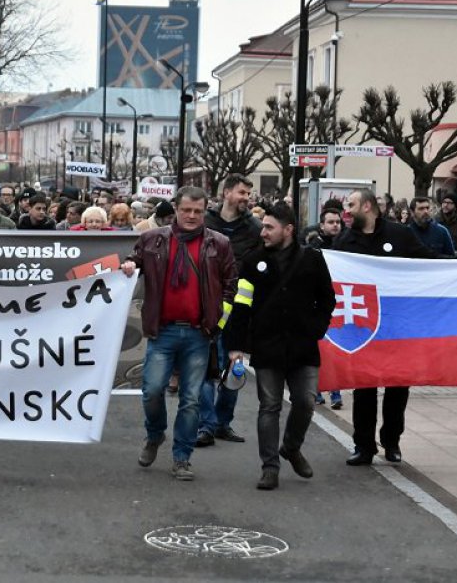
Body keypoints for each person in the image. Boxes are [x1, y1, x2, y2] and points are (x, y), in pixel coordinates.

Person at [120, 186, 237, 481]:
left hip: (199, 333)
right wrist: (130, 265)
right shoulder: (151, 240)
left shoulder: (219, 243)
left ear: (205, 211)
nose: (192, 216)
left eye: (198, 211)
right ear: (175, 209)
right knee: (152, 391)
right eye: (186, 210)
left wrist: (217, 315)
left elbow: (230, 281)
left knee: (191, 400)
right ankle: (155, 434)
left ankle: (182, 457)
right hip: (164, 331)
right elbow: (134, 261)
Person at [224, 202, 335, 489]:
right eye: (263, 226)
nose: (264, 232)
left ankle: (291, 447)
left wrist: (316, 329)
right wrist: (235, 345)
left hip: (303, 346)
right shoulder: (252, 261)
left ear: (288, 229)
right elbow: (241, 305)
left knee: (306, 401)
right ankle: (269, 467)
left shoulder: (312, 259)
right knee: (269, 406)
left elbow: (327, 300)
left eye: (270, 227)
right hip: (267, 345)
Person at [335, 188, 434, 466]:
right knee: (363, 388)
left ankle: (392, 442)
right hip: (362, 328)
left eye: (351, 205)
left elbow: (428, 260)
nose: (347, 210)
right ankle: (363, 445)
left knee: (397, 387)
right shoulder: (346, 240)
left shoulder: (399, 235)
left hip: (397, 325)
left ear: (367, 207)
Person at [196, 174, 262, 447]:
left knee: (233, 368)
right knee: (205, 367)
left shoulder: (255, 228)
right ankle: (206, 425)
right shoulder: (205, 223)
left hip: (239, 309)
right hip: (207, 305)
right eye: (242, 192)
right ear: (226, 193)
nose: (246, 197)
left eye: (248, 193)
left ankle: (224, 422)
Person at [305, 208, 345, 410]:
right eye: (331, 222)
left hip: (343, 304)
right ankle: (318, 391)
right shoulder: (313, 247)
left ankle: (336, 393)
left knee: (335, 350)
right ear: (322, 226)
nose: (335, 225)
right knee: (321, 349)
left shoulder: (345, 246)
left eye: (338, 222)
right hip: (319, 304)